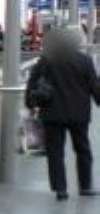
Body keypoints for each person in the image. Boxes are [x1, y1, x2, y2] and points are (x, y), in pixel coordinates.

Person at [26, 27, 100, 201]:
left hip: (52, 113)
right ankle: (85, 186)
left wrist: (29, 105)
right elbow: (94, 86)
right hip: (78, 114)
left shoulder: (47, 59)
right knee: (83, 149)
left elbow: (32, 82)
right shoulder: (85, 61)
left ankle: (60, 189)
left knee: (55, 152)